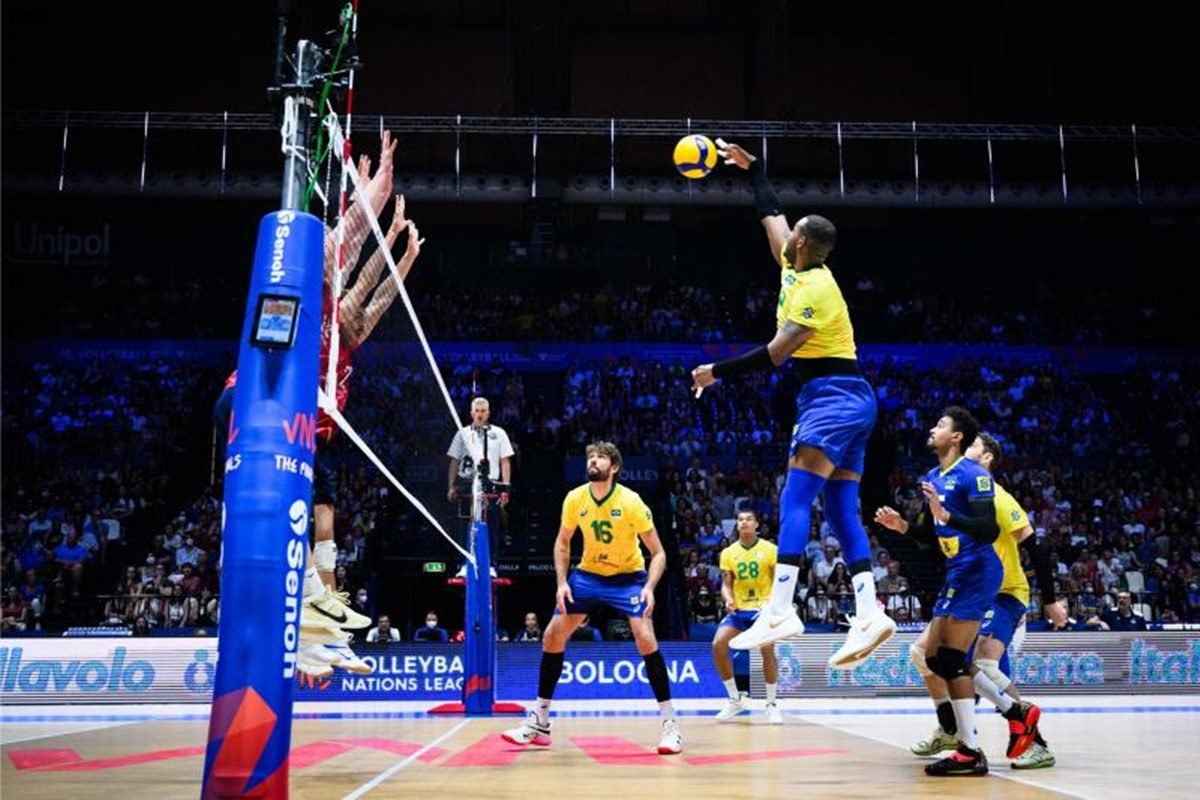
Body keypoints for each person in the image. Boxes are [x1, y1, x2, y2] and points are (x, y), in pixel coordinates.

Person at [213, 132, 423, 677]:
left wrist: (400, 247)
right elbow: (351, 237)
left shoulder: (345, 334)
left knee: (325, 515)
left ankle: (325, 633)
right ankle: (302, 612)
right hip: (261, 405)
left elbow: (377, 294)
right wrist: (376, 191)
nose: (346, 288)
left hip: (310, 430)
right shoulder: (314, 294)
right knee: (297, 517)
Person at [690, 139, 895, 670]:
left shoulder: (815, 291)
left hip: (832, 397)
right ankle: (870, 611)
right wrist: (752, 169)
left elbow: (778, 354)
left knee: (795, 496)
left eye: (794, 231)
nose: (786, 232)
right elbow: (770, 216)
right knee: (841, 507)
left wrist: (717, 373)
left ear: (803, 243)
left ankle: (781, 608)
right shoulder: (795, 265)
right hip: (849, 398)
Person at [888, 431, 1065, 770]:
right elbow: (932, 538)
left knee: (978, 665)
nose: (964, 449)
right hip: (971, 588)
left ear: (986, 460)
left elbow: (1035, 547)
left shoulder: (997, 498)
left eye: (972, 446)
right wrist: (905, 527)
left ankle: (1035, 742)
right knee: (926, 655)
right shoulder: (955, 493)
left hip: (1003, 593)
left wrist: (1051, 600)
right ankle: (952, 728)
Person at [502, 441, 682, 754]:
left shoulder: (631, 502)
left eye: (600, 457)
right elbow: (562, 543)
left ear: (614, 467)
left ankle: (670, 726)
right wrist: (561, 582)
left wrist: (649, 587)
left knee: (644, 637)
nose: (593, 460)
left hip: (629, 578)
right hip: (588, 575)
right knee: (552, 637)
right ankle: (540, 719)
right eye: (590, 456)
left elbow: (659, 553)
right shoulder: (575, 498)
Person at [873, 407, 1011, 776]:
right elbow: (929, 533)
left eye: (941, 425)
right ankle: (1015, 711)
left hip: (979, 571)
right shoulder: (934, 476)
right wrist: (902, 525)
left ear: (957, 437)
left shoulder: (975, 476)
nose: (932, 429)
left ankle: (970, 750)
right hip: (956, 572)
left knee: (949, 659)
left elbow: (987, 529)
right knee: (935, 659)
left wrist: (948, 516)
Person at [713, 509, 783, 724]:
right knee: (718, 644)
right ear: (737, 525)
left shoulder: (771, 550)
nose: (744, 522)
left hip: (763, 609)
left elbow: (780, 581)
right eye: (740, 520)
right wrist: (727, 599)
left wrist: (771, 605)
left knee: (767, 649)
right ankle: (735, 699)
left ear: (757, 524)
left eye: (748, 519)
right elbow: (726, 584)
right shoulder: (728, 553)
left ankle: (771, 704)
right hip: (739, 610)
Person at [447, 396, 515, 572]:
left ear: (488, 413)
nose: (479, 415)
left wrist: (506, 488)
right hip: (466, 482)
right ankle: (464, 564)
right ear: (471, 413)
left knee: (491, 523)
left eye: (483, 411)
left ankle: (492, 564)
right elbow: (454, 461)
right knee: (464, 525)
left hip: (490, 483)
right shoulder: (462, 434)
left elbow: (505, 461)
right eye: (476, 411)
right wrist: (451, 486)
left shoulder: (499, 433)